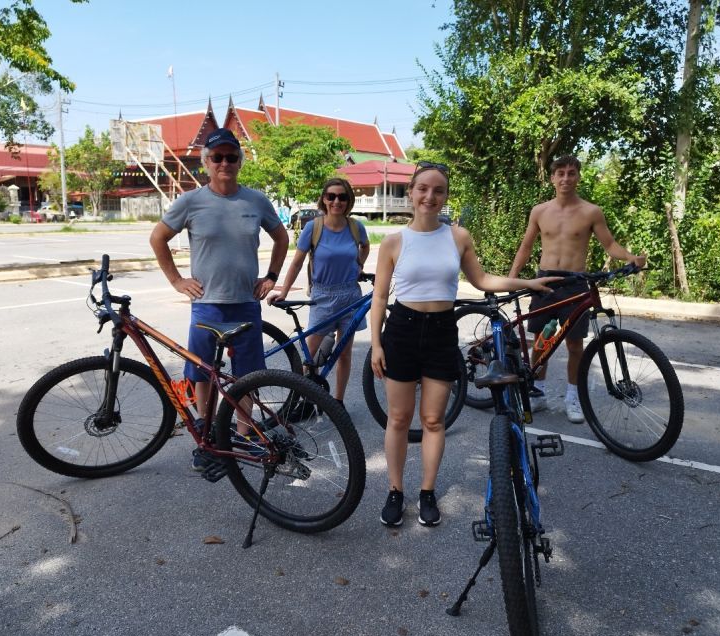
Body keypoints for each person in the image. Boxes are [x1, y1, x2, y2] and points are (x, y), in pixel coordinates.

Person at [370, 162, 559, 528]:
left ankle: (427, 492)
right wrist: (376, 344)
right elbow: (379, 298)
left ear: (445, 197)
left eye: (438, 190)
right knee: (398, 418)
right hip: (402, 331)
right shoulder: (394, 242)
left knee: (433, 419)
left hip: (441, 331)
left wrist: (527, 284)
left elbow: (482, 279)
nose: (430, 196)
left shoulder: (458, 237)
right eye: (423, 188)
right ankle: (395, 491)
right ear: (411, 191)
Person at [149, 127, 289, 470]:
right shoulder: (191, 202)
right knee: (201, 372)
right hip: (207, 304)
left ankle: (242, 434)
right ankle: (211, 431)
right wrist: (177, 280)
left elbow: (282, 237)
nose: (224, 162)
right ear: (206, 162)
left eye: (230, 157)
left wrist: (271, 277)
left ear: (239, 161)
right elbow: (158, 238)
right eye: (217, 157)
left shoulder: (256, 200)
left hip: (245, 302)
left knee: (247, 376)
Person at [508, 155, 646, 423]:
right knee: (540, 342)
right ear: (552, 178)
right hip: (545, 281)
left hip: (574, 283)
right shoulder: (539, 211)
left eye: (571, 173)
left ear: (578, 177)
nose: (566, 178)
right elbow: (526, 247)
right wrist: (512, 278)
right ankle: (538, 394)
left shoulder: (590, 212)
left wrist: (629, 257)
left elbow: (610, 244)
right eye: (560, 173)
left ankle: (573, 398)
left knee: (574, 345)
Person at [267, 178, 369, 407]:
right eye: (331, 196)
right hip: (322, 296)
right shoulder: (314, 227)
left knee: (344, 353)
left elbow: (365, 246)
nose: (336, 201)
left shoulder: (355, 227)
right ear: (323, 199)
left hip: (350, 295)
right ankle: (299, 401)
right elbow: (296, 263)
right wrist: (283, 290)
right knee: (310, 355)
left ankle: (338, 402)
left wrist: (359, 265)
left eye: (342, 197)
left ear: (348, 200)